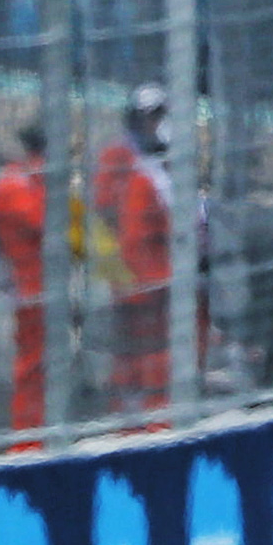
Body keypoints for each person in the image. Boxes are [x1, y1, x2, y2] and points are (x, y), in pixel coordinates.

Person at [92, 86, 177, 413]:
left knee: (150, 345)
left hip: (154, 271)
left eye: (159, 115)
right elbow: (103, 210)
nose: (155, 123)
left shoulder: (159, 160)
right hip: (136, 271)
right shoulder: (121, 158)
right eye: (150, 116)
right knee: (135, 346)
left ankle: (149, 409)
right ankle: (134, 410)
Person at [0, 125, 50, 442]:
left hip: (38, 285)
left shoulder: (25, 181)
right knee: (33, 365)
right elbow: (46, 222)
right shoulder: (17, 185)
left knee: (42, 364)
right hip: (30, 288)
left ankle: (36, 433)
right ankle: (27, 438)